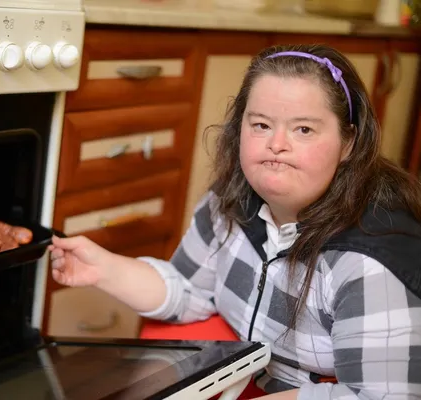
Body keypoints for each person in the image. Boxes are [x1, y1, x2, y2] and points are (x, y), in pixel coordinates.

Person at [48, 44, 421, 399]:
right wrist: (102, 269)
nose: (277, 143)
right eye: (260, 125)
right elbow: (192, 291)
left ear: (348, 143)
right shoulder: (229, 203)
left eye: (303, 129)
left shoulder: (367, 260)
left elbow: (379, 396)